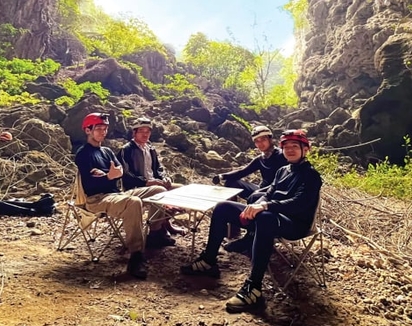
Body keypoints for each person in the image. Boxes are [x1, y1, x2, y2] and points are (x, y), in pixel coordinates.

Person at [180, 129, 322, 312]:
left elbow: (299, 204)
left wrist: (264, 206)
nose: (290, 150)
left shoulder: (311, 175)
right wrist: (256, 205)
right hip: (271, 216)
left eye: (295, 146)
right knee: (223, 207)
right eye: (286, 147)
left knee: (265, 217)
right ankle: (208, 261)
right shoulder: (283, 171)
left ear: (305, 150)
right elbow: (269, 193)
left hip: (295, 224)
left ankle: (253, 288)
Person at [74, 112, 175, 280]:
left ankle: (156, 233)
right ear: (87, 130)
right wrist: (109, 176)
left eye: (105, 129)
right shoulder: (83, 154)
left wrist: (108, 174)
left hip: (116, 194)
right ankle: (136, 255)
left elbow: (120, 171)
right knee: (133, 202)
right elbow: (91, 183)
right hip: (97, 199)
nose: (103, 132)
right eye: (98, 128)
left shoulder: (106, 151)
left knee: (159, 191)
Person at [119, 116, 185, 235]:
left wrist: (164, 177)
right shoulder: (127, 150)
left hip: (154, 183)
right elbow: (126, 174)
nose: (145, 135)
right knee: (160, 190)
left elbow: (158, 168)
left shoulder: (150, 148)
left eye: (147, 131)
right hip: (137, 187)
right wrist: (146, 182)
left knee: (181, 189)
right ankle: (156, 230)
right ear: (134, 132)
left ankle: (165, 221)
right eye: (141, 131)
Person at [212, 125, 287, 199]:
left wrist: (261, 192)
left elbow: (284, 182)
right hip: (261, 191)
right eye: (257, 141)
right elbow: (243, 172)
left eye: (263, 139)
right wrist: (221, 176)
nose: (260, 143)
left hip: (277, 193)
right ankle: (232, 207)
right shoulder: (260, 159)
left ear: (270, 139)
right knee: (231, 182)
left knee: (256, 196)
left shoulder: (282, 155)